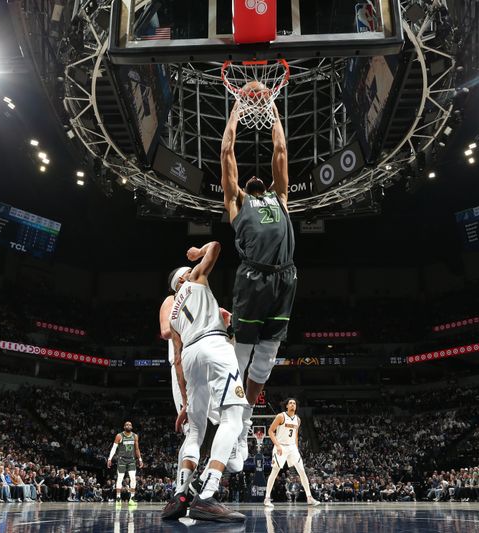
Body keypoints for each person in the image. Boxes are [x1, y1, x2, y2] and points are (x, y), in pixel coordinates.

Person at [221, 101, 297, 468]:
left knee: (265, 361)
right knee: (240, 358)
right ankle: (233, 427)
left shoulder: (280, 197)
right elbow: (226, 151)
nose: (254, 177)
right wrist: (238, 108)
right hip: (252, 279)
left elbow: (280, 149)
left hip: (285, 277)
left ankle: (245, 419)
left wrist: (271, 109)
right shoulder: (237, 202)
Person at [160, 241, 247, 522]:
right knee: (233, 418)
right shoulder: (196, 278)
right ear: (184, 277)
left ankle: (181, 493)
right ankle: (207, 494)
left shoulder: (174, 317)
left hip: (190, 355)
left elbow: (177, 360)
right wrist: (199, 253)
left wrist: (185, 402)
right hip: (214, 346)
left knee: (195, 431)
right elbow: (217, 247)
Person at [263, 399, 320, 506]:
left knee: (302, 471)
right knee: (274, 472)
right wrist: (277, 445)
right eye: (290, 403)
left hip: (292, 448)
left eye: (294, 403)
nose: (292, 404)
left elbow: (296, 435)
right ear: (287, 406)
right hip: (281, 446)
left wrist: (296, 448)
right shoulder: (281, 416)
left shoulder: (298, 419)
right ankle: (267, 498)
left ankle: (309, 497)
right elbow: (270, 431)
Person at [107, 421, 144, 504]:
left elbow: (137, 449)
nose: (128, 425)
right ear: (124, 427)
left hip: (131, 459)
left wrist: (140, 459)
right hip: (122, 459)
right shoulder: (119, 436)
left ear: (132, 427)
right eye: (127, 424)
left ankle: (132, 498)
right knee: (120, 478)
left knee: (133, 478)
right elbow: (114, 448)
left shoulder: (135, 436)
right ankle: (118, 498)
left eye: (130, 425)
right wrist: (110, 459)